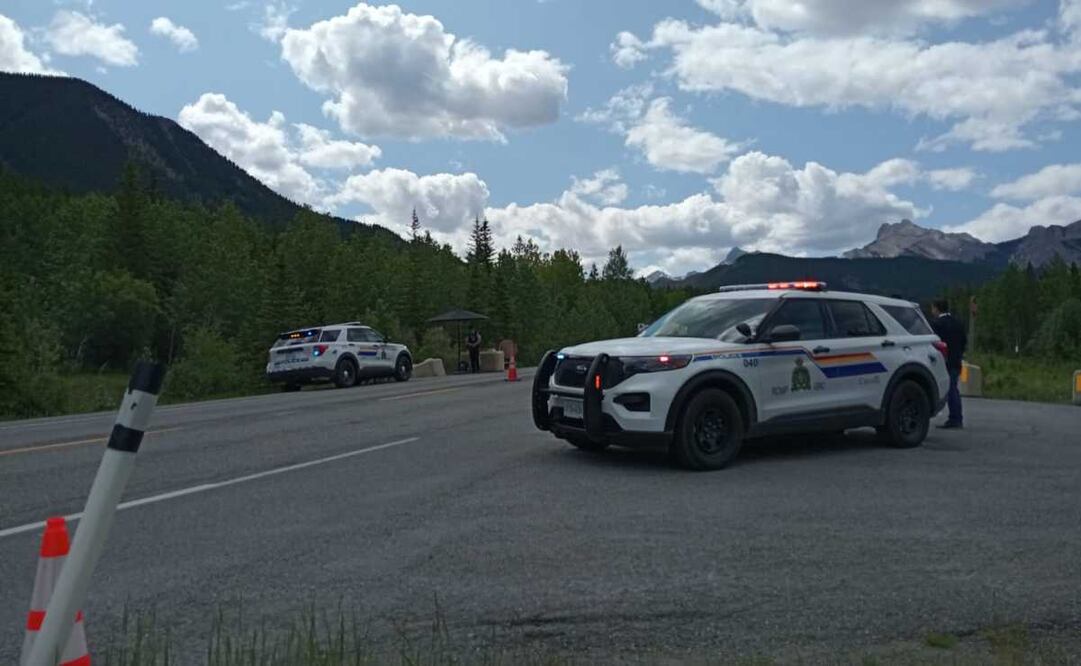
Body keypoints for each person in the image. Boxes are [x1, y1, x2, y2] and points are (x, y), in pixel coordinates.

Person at [931, 299, 967, 429]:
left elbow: (934, 342)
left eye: (933, 308)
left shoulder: (937, 324)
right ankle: (956, 417)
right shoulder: (958, 322)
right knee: (953, 388)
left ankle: (955, 419)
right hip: (956, 360)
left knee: (950, 389)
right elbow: (964, 341)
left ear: (936, 308)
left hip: (944, 361)